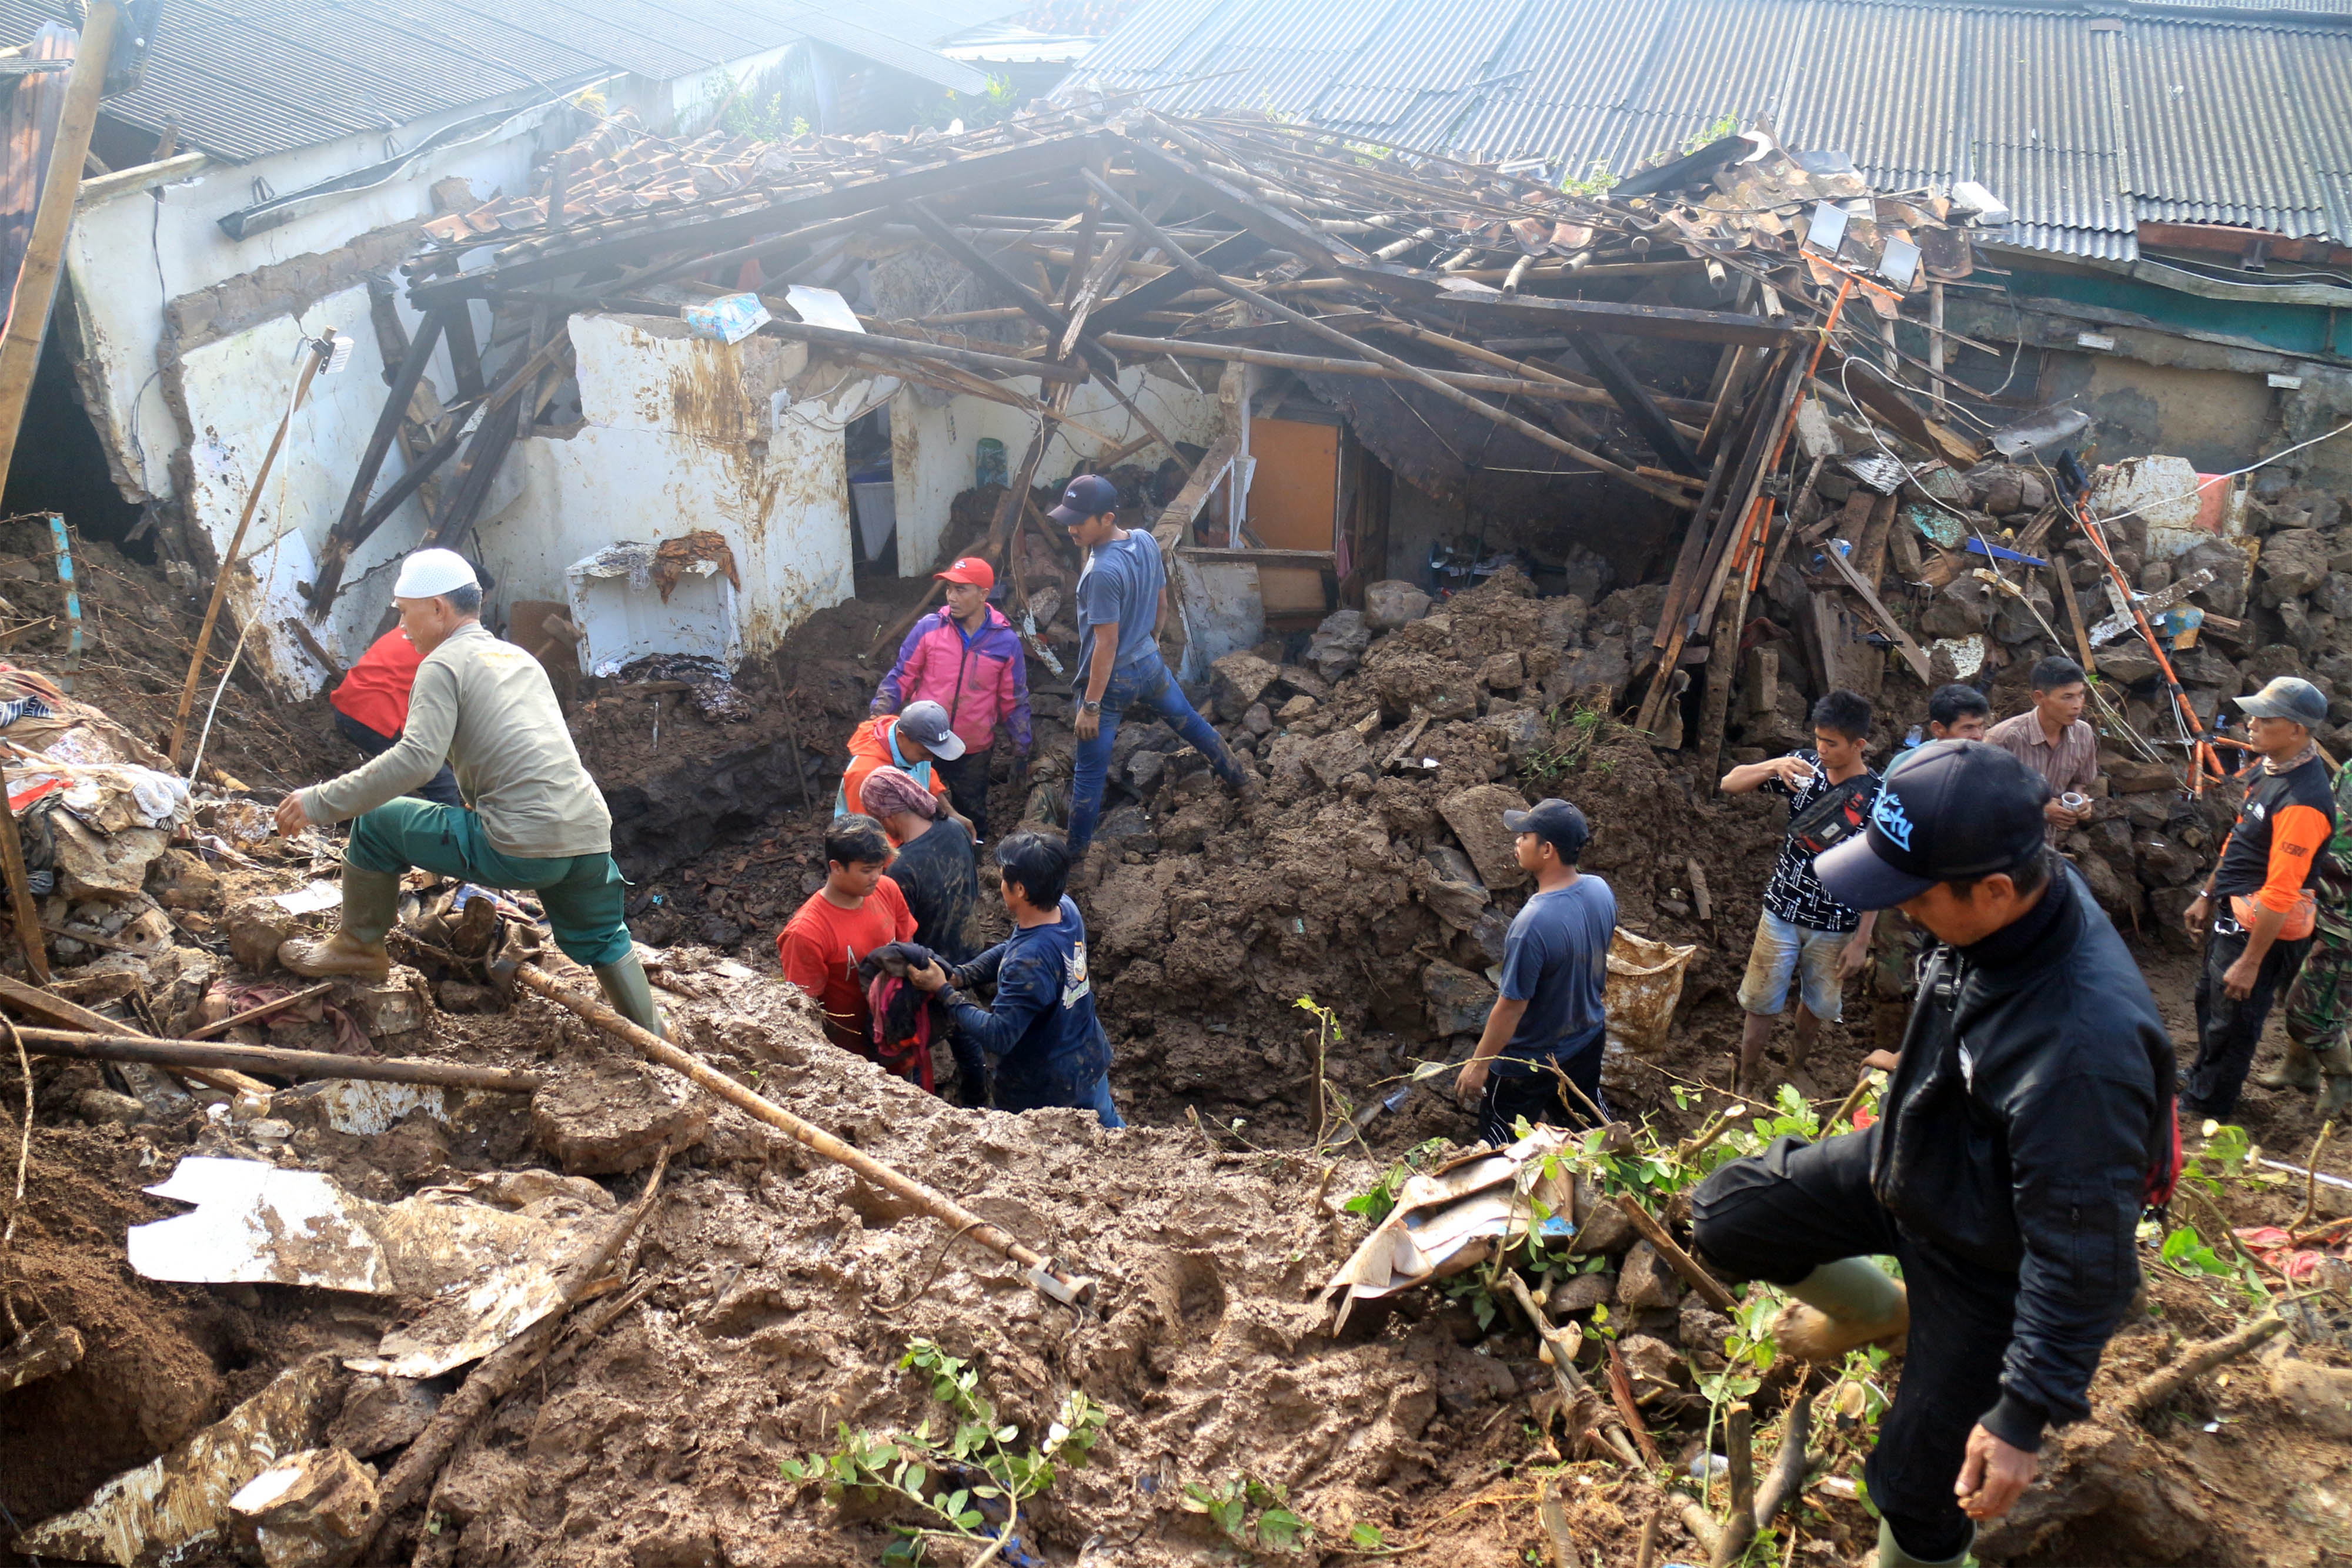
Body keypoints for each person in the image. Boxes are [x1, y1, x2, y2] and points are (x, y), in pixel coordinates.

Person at [1693, 741, 2170, 1568]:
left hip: (1990, 1255)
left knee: (1921, 1490)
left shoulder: (2081, 1051)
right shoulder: (2012, 894)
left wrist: (2020, 1417)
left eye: (1911, 894)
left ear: (1993, 890)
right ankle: (1884, 1311)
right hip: (1918, 1157)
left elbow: (2086, 1255)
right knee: (1729, 1212)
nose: (1902, 909)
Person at [271, 550, 666, 1035]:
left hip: (520, 843)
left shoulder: (442, 664)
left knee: (376, 821)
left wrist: (318, 801)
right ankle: (654, 1038)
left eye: (403, 611)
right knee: (605, 937)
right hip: (587, 832)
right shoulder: (517, 655)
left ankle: (357, 947)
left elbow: (416, 759)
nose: (401, 626)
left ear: (438, 608)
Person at [1054, 473, 1257, 864]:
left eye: (1080, 520)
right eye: (1069, 518)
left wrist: (1091, 706)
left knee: (1090, 773)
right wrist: (1154, 641)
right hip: (1149, 662)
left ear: (1107, 517)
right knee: (1191, 723)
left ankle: (1076, 861)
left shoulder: (1101, 572)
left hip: (1110, 681)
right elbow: (1162, 601)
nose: (1071, 527)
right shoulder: (1145, 541)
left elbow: (1106, 643)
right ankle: (1240, 781)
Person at [2183, 676, 2337, 1119]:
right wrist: (2207, 894)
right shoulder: (2268, 771)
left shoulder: (2303, 801)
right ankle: (2200, 1081)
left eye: (2264, 719)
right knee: (2211, 1005)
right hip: (2234, 914)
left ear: (2297, 730)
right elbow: (2241, 841)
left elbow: (2282, 891)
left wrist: (2250, 961)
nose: (2250, 724)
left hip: (2258, 930)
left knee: (2234, 1024)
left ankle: (2209, 1107)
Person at [1718, 690, 1880, 1092]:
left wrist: (1862, 939)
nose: (1822, 749)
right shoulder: (1802, 769)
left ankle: (1796, 1065)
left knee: (1820, 1005)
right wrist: (1773, 765)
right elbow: (1729, 783)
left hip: (1837, 922)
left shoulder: (1878, 797)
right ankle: (1748, 1076)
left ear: (1859, 745)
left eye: (1832, 743)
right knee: (1760, 1001)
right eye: (1818, 739)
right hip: (1783, 908)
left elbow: (1878, 873)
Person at [908, 831, 1122, 1128]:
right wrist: (961, 976)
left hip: (1047, 1088)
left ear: (1019, 889)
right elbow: (1012, 947)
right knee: (1111, 1130)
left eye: (1002, 879)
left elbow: (999, 1035)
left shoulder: (1028, 964)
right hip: (1089, 1058)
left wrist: (944, 992)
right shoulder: (1065, 910)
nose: (999, 886)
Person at [1452, 798, 1615, 1146]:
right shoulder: (1600, 890)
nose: (1517, 842)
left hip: (1530, 1064)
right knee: (1590, 1124)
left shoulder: (1532, 924)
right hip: (1587, 1038)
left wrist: (1480, 1065)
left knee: (1502, 1142)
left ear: (1547, 850)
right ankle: (1616, 1169)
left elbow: (1511, 1007)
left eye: (1525, 836)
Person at [1865, 685, 1994, 1064]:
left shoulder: (1987, 770)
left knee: (1953, 980)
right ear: (1938, 729)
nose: (1977, 736)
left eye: (1981, 727)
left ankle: (1938, 1060)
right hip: (1904, 892)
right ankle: (1888, 1064)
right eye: (1968, 728)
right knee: (1893, 982)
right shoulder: (1905, 770)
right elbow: (1880, 833)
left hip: (1957, 894)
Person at [871, 556, 1033, 844]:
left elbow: (1014, 699)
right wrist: (878, 715)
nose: (951, 597)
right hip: (923, 741)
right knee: (915, 804)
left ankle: (973, 859)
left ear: (984, 594)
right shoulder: (929, 628)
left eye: (961, 590)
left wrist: (1022, 747)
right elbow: (902, 675)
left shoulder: (1005, 642)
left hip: (972, 749)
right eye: (949, 589)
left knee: (971, 809)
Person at [777, 814, 916, 1057]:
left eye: (880, 867)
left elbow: (908, 946)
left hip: (898, 1032)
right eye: (867, 870)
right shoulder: (806, 933)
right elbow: (804, 1009)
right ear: (836, 867)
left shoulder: (887, 889)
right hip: (852, 1055)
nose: (876, 876)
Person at [2273, 737, 2352, 1119]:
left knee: (2314, 1007)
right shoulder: (2351, 772)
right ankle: (2299, 1066)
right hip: (2321, 902)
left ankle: (2342, 1080)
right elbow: (2329, 820)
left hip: (2345, 920)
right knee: (2297, 988)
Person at [329, 627, 463, 808]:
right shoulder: (449, 646)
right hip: (373, 719)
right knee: (443, 785)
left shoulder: (410, 627)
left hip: (348, 708)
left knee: (400, 775)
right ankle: (451, 835)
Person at [1986, 656, 2098, 843]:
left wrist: (2080, 800)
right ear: (2039, 698)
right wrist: (2039, 810)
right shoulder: (2003, 739)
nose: (2078, 705)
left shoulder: (2083, 734)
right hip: (1999, 845)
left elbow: (2078, 782)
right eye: (2067, 697)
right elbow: (1983, 798)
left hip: (2044, 846)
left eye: (2081, 694)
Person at [838, 700, 975, 844]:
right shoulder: (865, 774)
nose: (930, 760)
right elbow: (868, 840)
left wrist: (950, 813)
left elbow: (927, 777)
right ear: (901, 737)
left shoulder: (914, 735)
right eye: (924, 755)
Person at [1924, 683, 1991, 743]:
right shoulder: (1922, 756)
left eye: (1980, 726)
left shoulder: (1988, 754)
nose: (1979, 736)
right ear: (1938, 729)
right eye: (1968, 728)